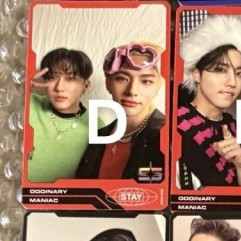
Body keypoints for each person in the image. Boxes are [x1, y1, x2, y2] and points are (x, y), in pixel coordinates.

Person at [176, 16, 241, 189]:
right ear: (196, 74)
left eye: (239, 73)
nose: (232, 82)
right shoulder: (174, 124)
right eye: (220, 70)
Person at [76, 42, 165, 180]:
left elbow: (152, 191)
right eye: (122, 78)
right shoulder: (99, 135)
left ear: (158, 87)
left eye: (146, 81)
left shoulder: (166, 138)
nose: (132, 91)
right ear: (108, 83)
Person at [27, 48, 95, 183]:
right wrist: (16, 87)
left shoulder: (97, 126)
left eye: (70, 79)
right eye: (52, 78)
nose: (59, 88)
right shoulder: (27, 104)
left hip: (63, 196)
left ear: (85, 86)